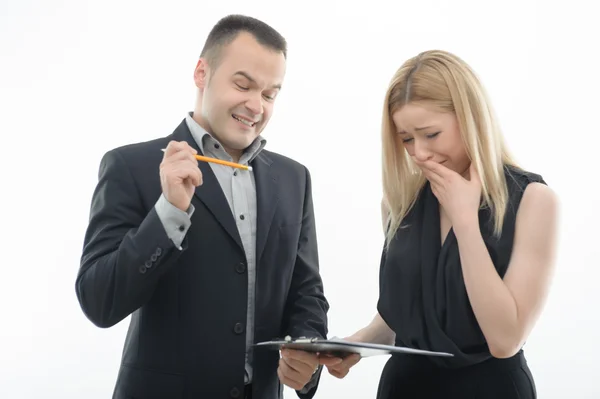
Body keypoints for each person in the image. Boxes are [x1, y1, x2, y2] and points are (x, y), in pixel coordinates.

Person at [75, 14, 339, 399]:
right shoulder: (131, 166)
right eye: (243, 85)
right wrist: (169, 212)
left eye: (269, 94)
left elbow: (306, 291)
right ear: (202, 73)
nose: (256, 106)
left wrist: (306, 352)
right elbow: (99, 301)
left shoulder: (294, 178)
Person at [321, 50, 559, 398]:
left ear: (471, 118)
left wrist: (465, 222)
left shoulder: (534, 201)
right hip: (403, 388)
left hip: (489, 389)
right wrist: (354, 346)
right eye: (406, 139)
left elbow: (505, 340)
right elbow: (401, 318)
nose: (419, 153)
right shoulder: (400, 203)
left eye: (430, 134)